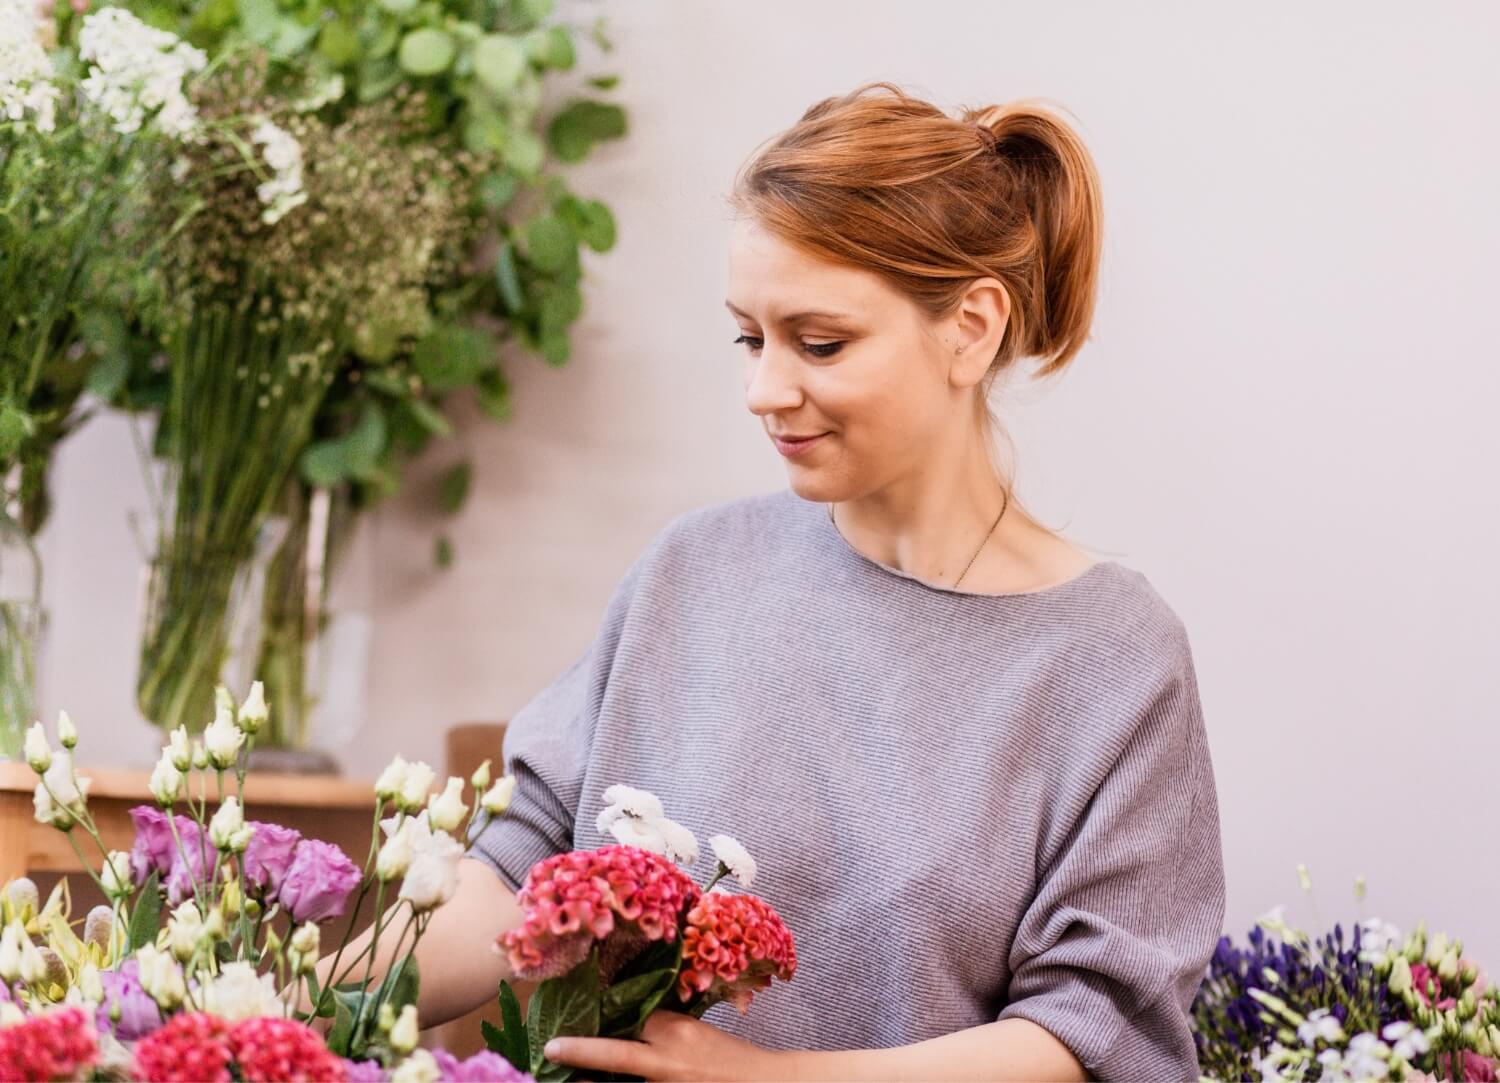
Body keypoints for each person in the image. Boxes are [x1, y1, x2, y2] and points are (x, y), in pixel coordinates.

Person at [318, 81, 1226, 1082]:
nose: (764, 390)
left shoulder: (1112, 659)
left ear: (971, 327)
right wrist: (279, 1011)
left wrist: (761, 1078)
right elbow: (515, 875)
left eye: (820, 343)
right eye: (750, 338)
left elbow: (1090, 1028)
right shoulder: (694, 573)